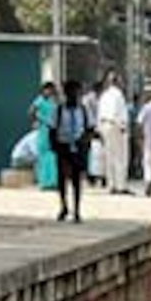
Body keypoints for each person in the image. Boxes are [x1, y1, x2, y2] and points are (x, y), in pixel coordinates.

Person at [51, 80, 93, 223]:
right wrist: (55, 147)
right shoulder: (59, 110)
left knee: (76, 179)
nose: (74, 96)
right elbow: (52, 128)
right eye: (71, 93)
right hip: (63, 146)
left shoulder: (83, 110)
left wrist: (85, 142)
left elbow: (89, 128)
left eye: (76, 93)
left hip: (78, 146)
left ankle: (77, 210)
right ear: (66, 94)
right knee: (62, 178)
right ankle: (63, 206)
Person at [98, 72, 131, 195]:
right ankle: (120, 185)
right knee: (120, 157)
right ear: (117, 81)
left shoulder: (104, 95)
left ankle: (111, 184)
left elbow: (100, 114)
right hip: (116, 126)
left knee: (109, 157)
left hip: (105, 126)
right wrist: (121, 126)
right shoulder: (118, 95)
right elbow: (115, 112)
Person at [28, 81, 59, 191]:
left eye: (51, 90)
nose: (49, 92)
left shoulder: (53, 101)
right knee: (43, 154)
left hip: (52, 130)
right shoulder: (39, 100)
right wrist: (34, 123)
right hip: (43, 129)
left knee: (52, 155)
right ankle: (43, 182)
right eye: (47, 89)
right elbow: (31, 112)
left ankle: (53, 181)